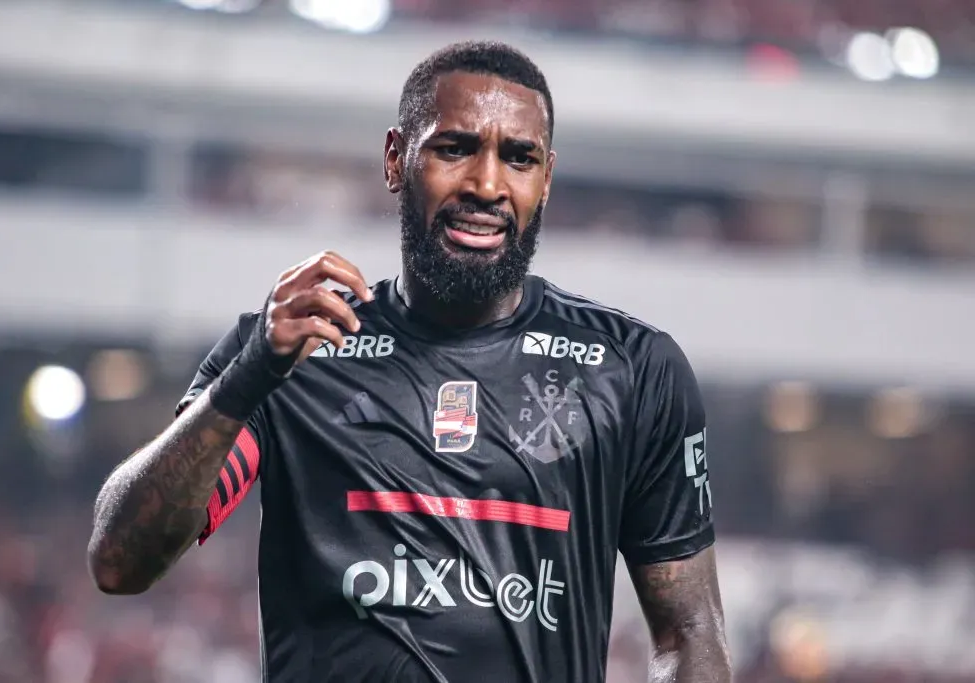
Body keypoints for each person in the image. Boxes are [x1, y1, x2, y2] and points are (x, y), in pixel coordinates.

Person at [87, 40, 731, 683]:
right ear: (396, 159)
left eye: (518, 158)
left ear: (547, 179)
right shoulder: (293, 352)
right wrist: (248, 376)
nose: (486, 184)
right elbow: (120, 563)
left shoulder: (633, 370)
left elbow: (690, 634)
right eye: (454, 149)